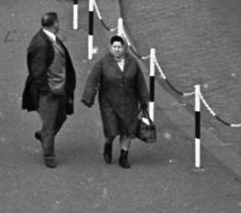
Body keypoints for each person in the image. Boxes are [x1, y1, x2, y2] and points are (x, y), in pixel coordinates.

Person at [79, 33, 150, 169]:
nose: (117, 49)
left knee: (127, 130)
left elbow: (140, 82)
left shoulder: (132, 63)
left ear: (124, 48)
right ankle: (108, 144)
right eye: (114, 46)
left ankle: (124, 156)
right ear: (110, 47)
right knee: (111, 130)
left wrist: (144, 100)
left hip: (129, 103)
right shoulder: (103, 63)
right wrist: (88, 97)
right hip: (109, 103)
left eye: (119, 47)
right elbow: (93, 80)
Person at [24, 11, 77, 169]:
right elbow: (38, 71)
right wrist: (46, 91)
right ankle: (49, 155)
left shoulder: (47, 39)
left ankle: (44, 137)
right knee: (49, 124)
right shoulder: (42, 44)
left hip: (58, 88)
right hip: (49, 91)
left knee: (61, 117)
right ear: (55, 24)